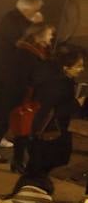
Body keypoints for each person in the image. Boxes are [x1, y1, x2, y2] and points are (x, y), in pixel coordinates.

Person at [0, 0, 43, 145]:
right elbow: (23, 42)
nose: (38, 13)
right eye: (36, 10)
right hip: (9, 71)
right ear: (28, 10)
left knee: (3, 101)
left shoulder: (13, 18)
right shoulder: (14, 21)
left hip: (8, 70)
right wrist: (35, 25)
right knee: (6, 103)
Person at [4, 22, 57, 173]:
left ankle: (19, 161)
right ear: (39, 35)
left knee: (26, 130)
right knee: (23, 130)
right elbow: (28, 76)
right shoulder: (26, 52)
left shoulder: (41, 51)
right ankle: (17, 161)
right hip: (25, 97)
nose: (51, 36)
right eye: (49, 33)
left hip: (33, 97)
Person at [26, 45, 84, 176]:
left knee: (40, 162)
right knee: (44, 162)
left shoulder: (58, 79)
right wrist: (76, 103)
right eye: (79, 66)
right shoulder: (61, 84)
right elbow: (56, 109)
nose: (82, 69)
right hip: (51, 129)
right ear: (66, 67)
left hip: (46, 128)